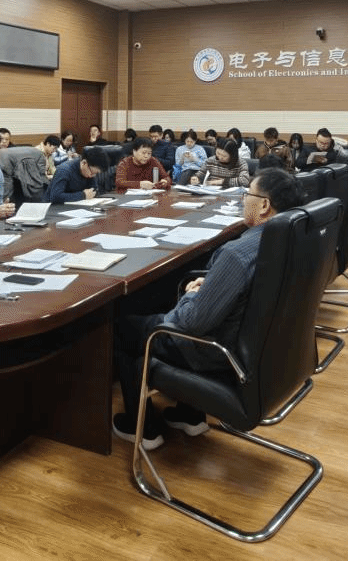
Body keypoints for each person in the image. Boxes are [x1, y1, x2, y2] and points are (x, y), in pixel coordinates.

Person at [111, 168, 306, 448]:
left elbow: (191, 323)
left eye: (247, 194)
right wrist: (214, 283)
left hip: (216, 352)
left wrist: (192, 294)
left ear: (264, 205)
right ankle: (189, 416)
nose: (243, 200)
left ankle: (143, 430)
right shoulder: (289, 240)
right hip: (263, 351)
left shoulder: (237, 254)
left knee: (122, 326)